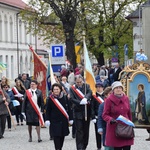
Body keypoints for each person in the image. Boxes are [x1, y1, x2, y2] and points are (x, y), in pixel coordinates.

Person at [102, 81, 134, 150]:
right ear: (113, 90)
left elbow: (129, 113)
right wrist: (111, 120)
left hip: (126, 129)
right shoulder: (109, 100)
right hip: (115, 129)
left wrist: (131, 124)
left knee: (127, 147)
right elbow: (105, 115)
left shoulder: (126, 98)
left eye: (120, 88)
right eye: (116, 88)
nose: (118, 89)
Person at [45, 83, 73, 150]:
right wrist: (47, 119)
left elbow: (69, 108)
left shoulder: (65, 97)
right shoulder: (50, 99)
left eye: (57, 89)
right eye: (54, 89)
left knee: (62, 138)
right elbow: (47, 110)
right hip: (55, 121)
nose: (56, 91)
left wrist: (71, 118)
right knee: (56, 138)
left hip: (63, 121)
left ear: (60, 90)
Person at [70, 75, 92, 150]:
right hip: (77, 111)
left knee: (86, 130)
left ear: (82, 80)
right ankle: (79, 147)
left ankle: (84, 145)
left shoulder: (86, 86)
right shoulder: (72, 89)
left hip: (86, 112)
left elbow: (90, 93)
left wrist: (86, 98)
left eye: (80, 82)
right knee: (79, 131)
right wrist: (80, 102)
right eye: (77, 82)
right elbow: (72, 99)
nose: (79, 83)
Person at [91, 82, 104, 150]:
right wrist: (93, 117)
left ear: (102, 88)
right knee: (98, 133)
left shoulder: (105, 96)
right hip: (97, 117)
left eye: (100, 87)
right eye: (97, 87)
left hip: (105, 116)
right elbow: (92, 107)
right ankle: (99, 146)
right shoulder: (94, 97)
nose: (98, 89)